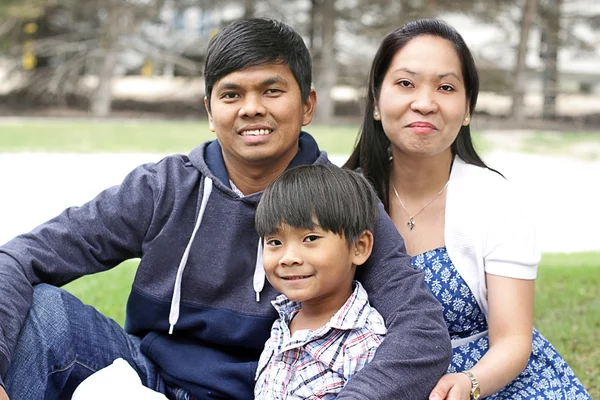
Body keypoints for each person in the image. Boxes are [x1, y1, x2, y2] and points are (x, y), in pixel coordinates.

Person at [0, 18, 452, 400]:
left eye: (272, 91)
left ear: (308, 104)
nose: (251, 109)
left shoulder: (341, 198)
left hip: (267, 389)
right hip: (147, 378)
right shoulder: (163, 187)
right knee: (44, 309)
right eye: (231, 95)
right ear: (210, 110)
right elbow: (20, 257)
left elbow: (422, 330)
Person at [345, 18, 591, 400]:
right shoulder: (343, 198)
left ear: (467, 109)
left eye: (445, 87)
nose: (424, 103)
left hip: (488, 382)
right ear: (376, 102)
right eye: (406, 83)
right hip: (375, 384)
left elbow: (512, 340)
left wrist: (469, 384)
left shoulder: (494, 198)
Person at [254, 165, 386, 399]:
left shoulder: (363, 344)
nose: (288, 258)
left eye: (310, 238)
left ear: (359, 247)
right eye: (274, 242)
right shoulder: (283, 322)